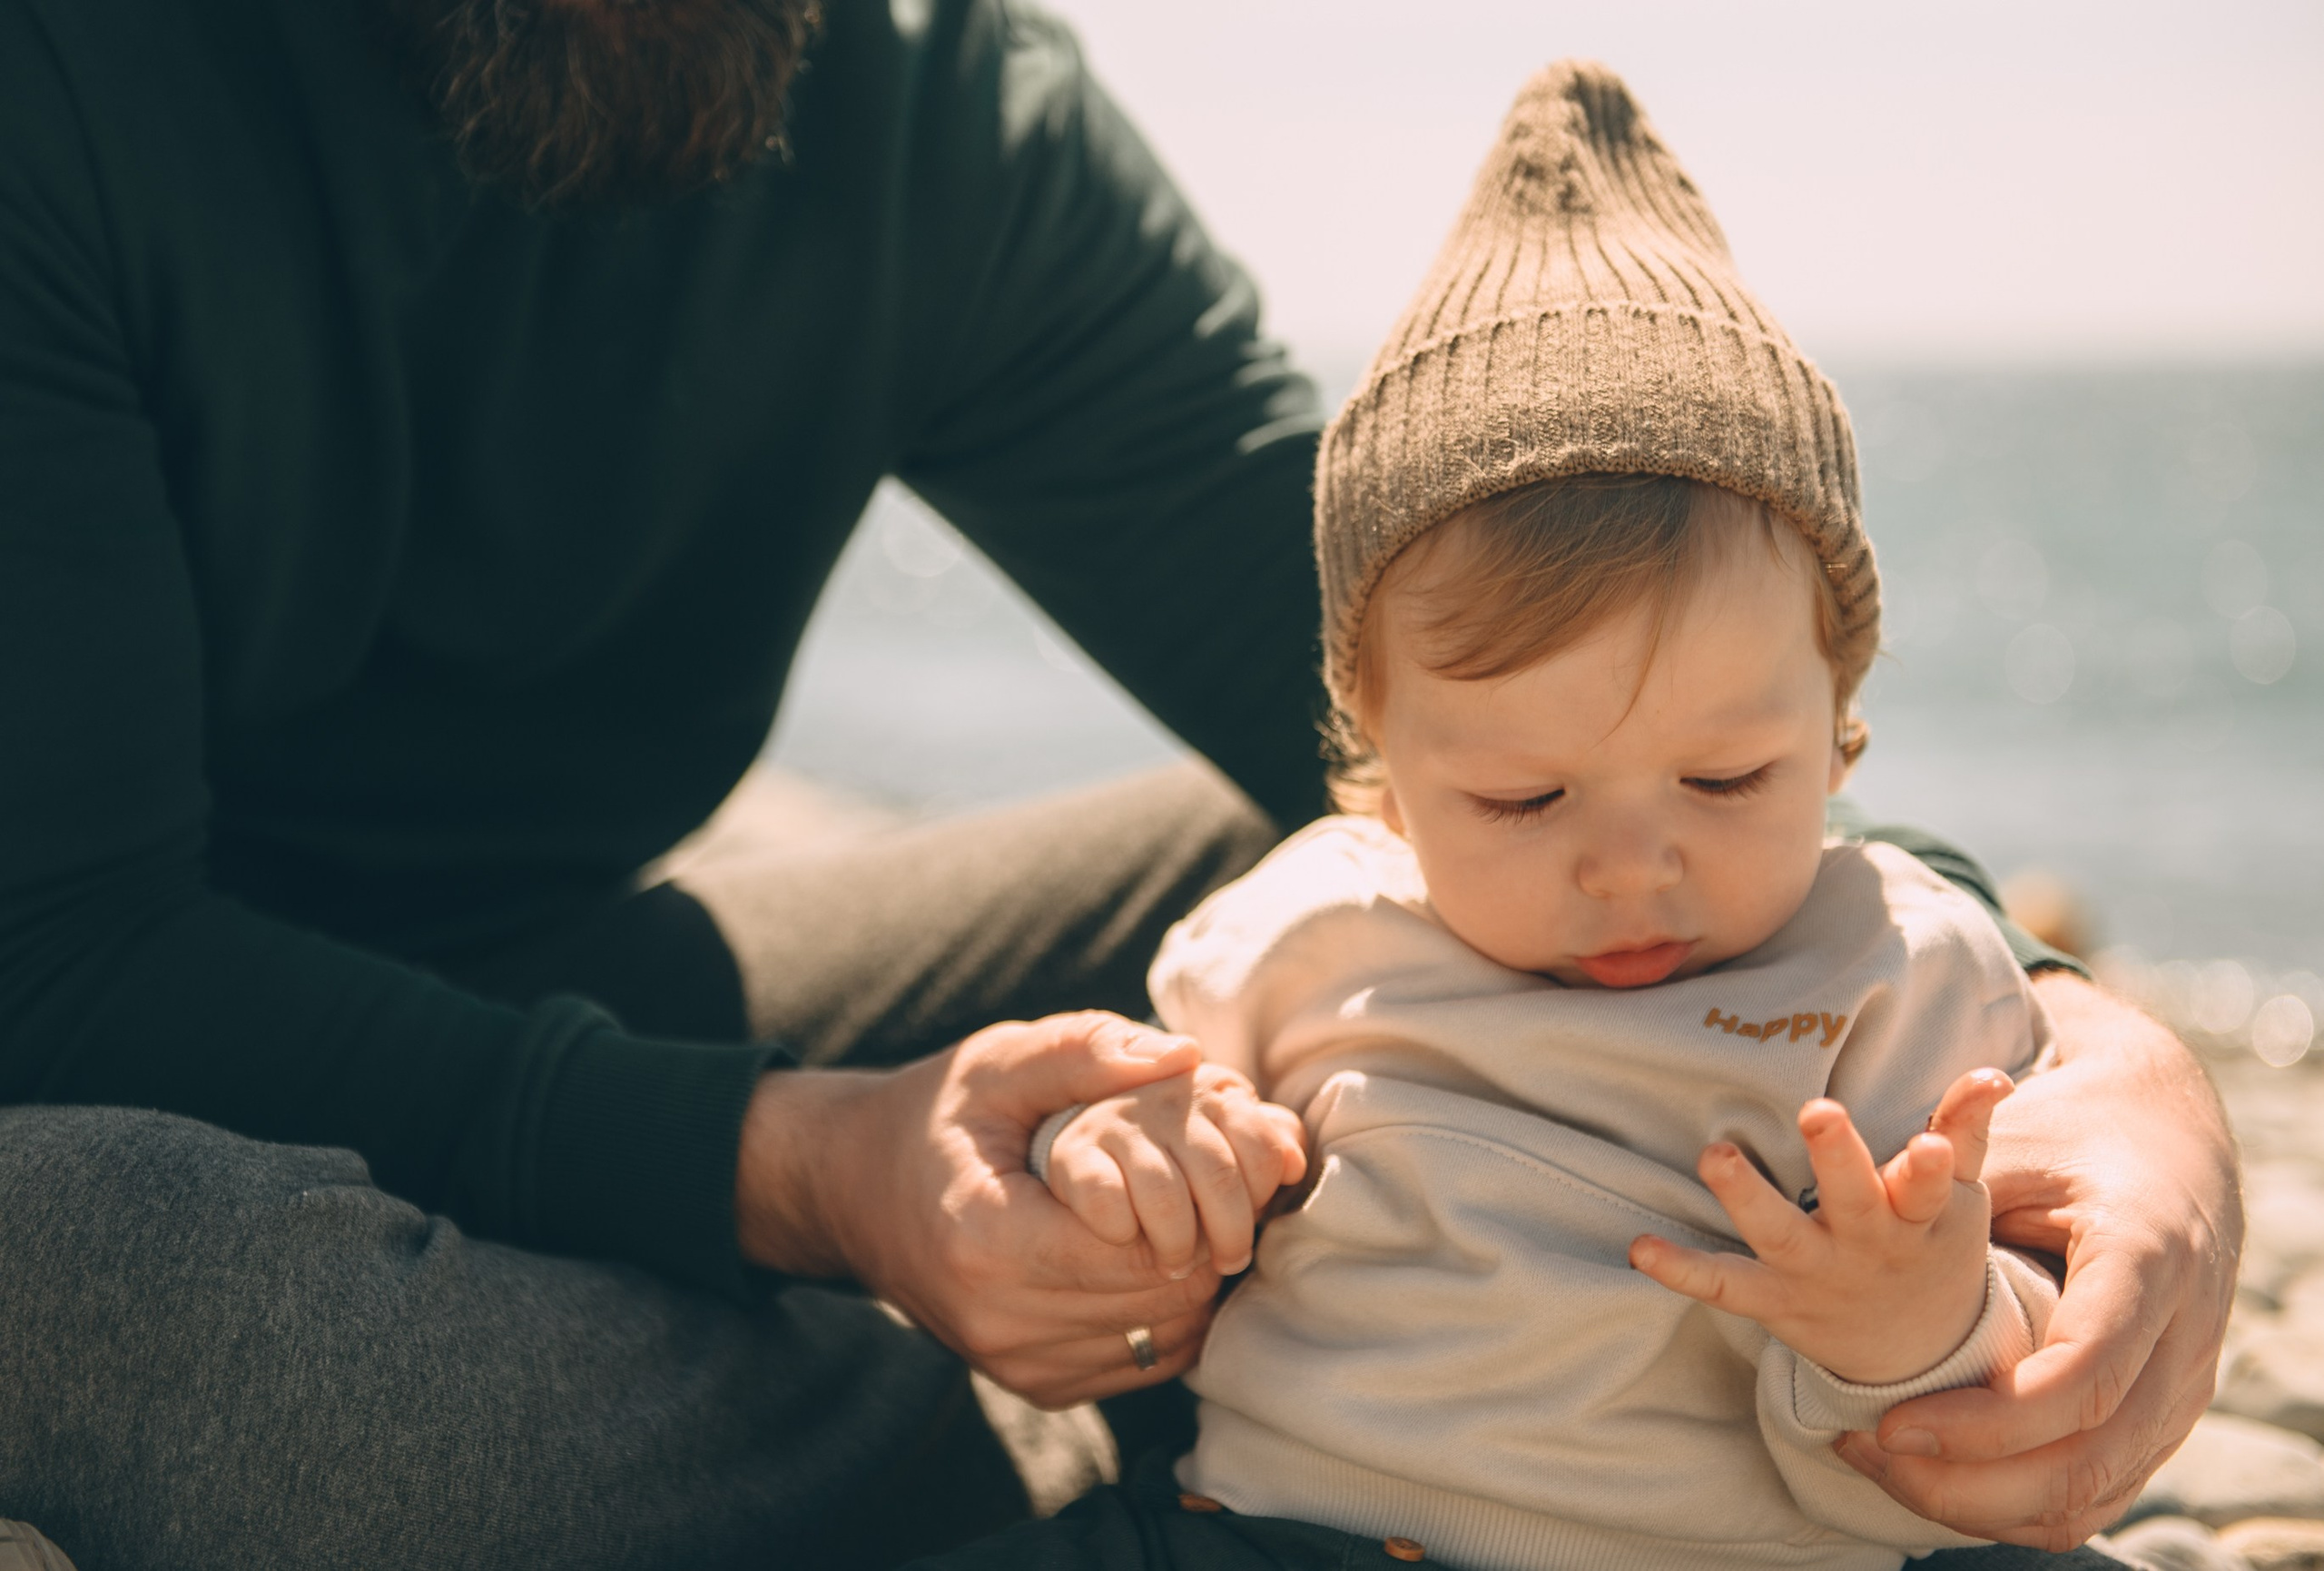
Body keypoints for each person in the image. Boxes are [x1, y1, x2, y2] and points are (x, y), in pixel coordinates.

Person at [0, 0, 2237, 1566]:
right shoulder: (65, 80)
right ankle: (1027, 1461)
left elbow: (1492, 703)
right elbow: (61, 957)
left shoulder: (922, 100)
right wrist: (812, 1175)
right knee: (54, 1257)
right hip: (77, 1044)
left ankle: (1368, 1426)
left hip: (573, 978)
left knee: (1386, 851)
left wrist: (2066, 1037)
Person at [1014, 62, 2129, 1570]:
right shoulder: (1300, 932)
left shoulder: (1898, 974)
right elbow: (1145, 1187)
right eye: (1521, 798)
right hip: (1291, 1530)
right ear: (1380, 755)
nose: (1629, 865)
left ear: (1840, 720)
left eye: (1727, 779)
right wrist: (1124, 1163)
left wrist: (1918, 1320)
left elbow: (2005, 1427)